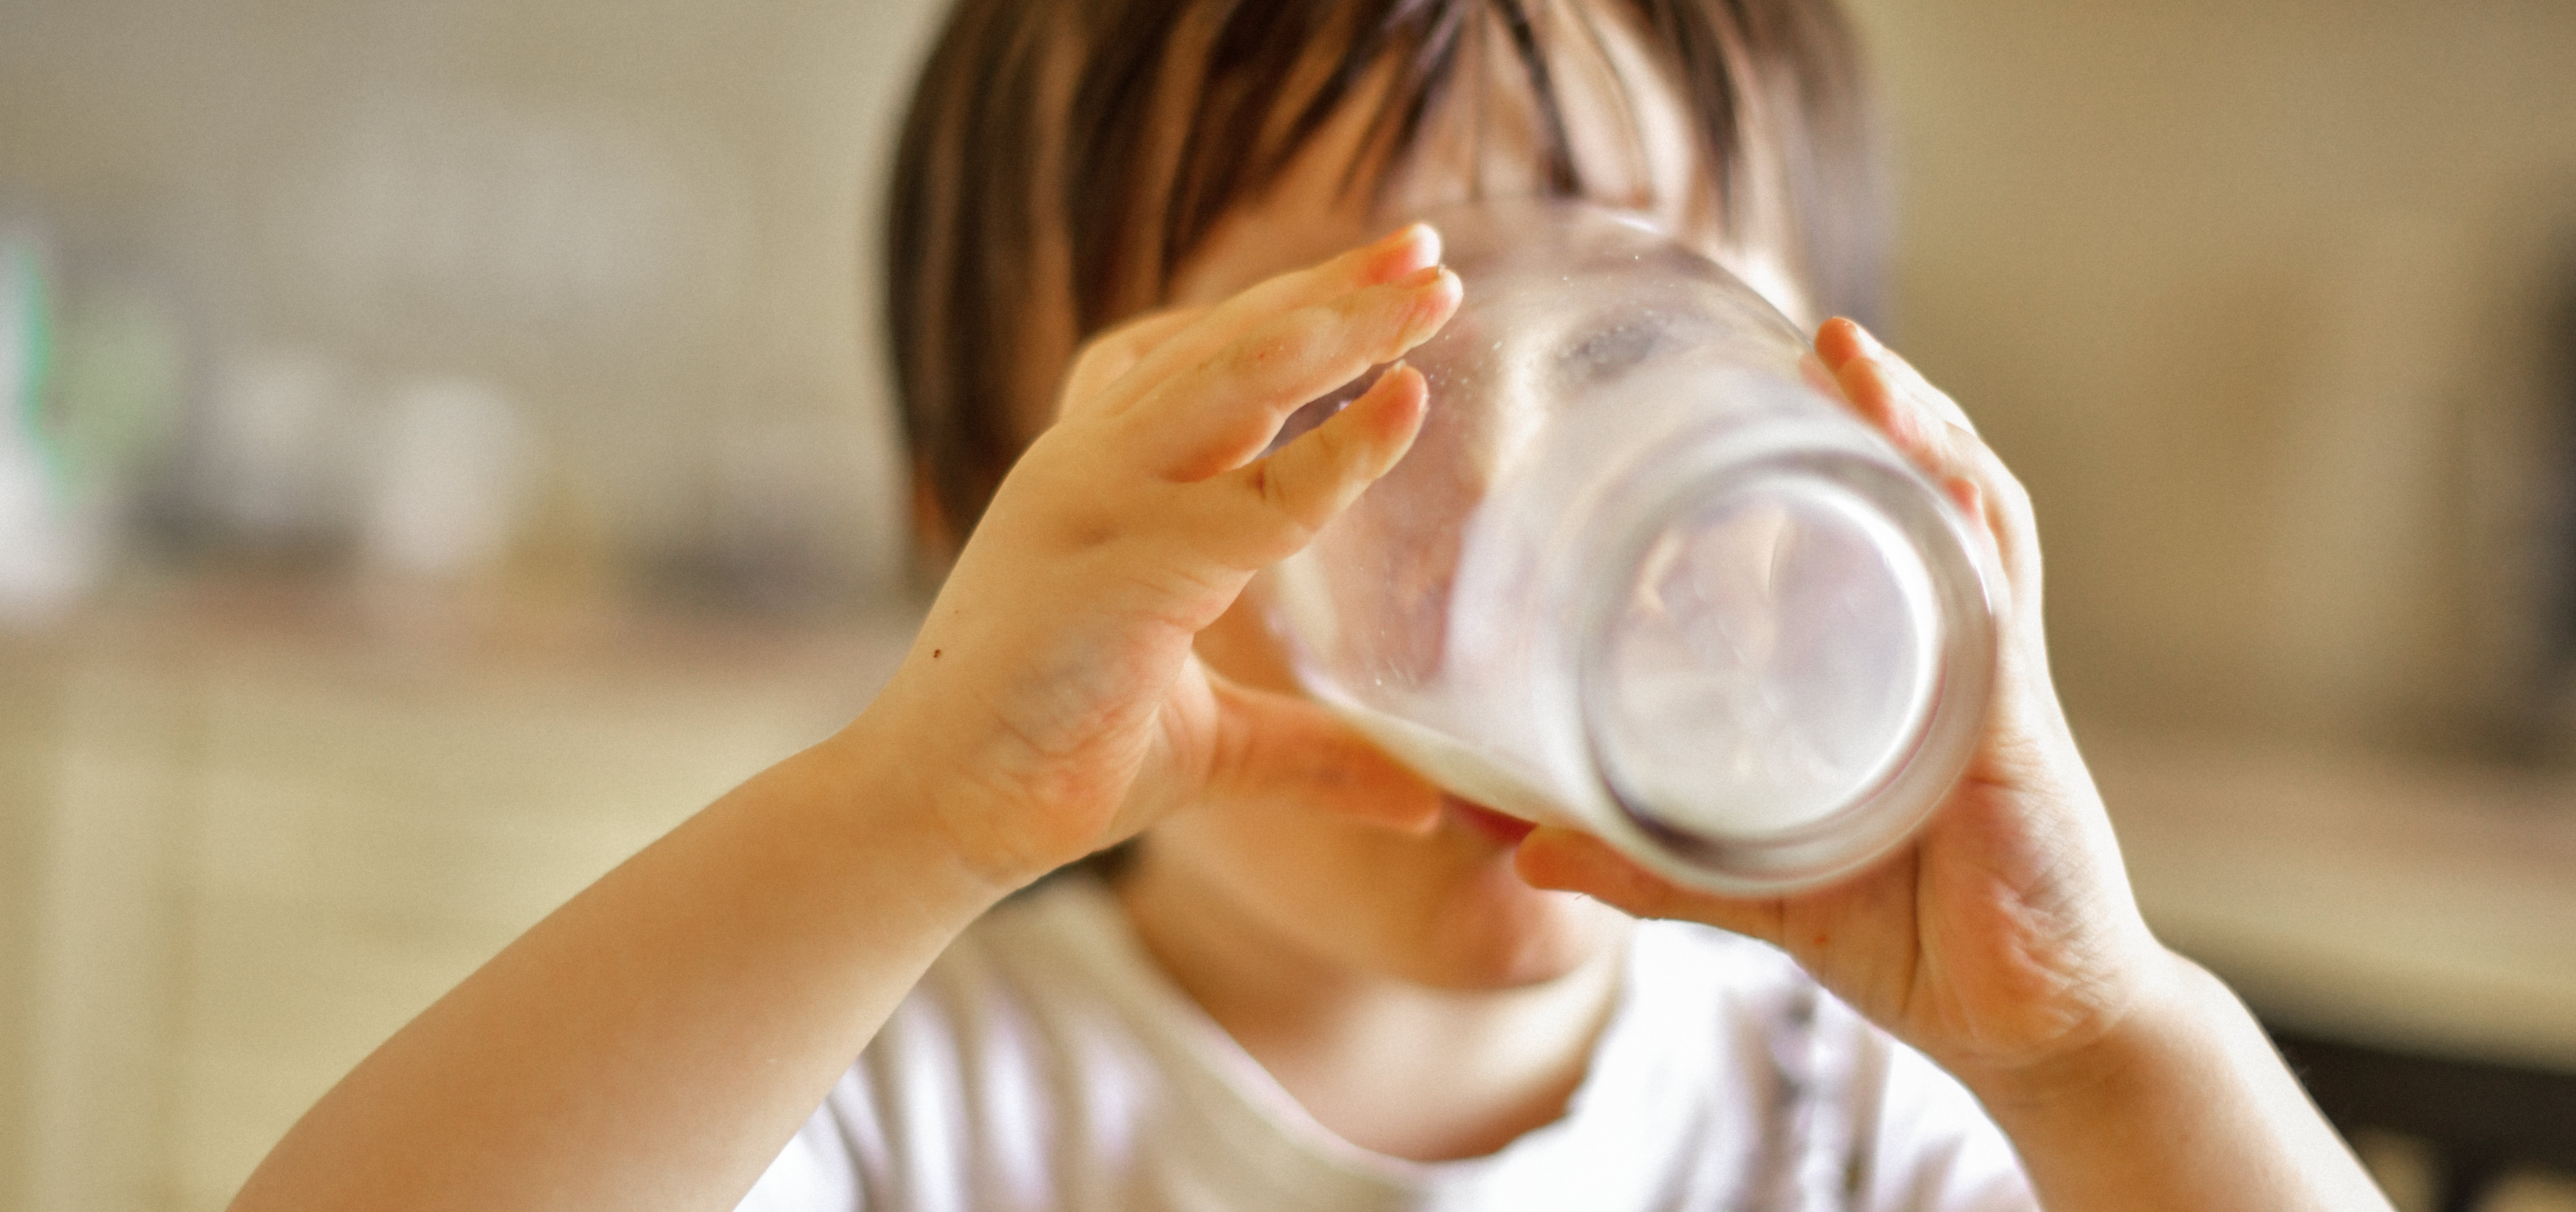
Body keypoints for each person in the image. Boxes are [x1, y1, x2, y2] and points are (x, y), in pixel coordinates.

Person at [229, 2, 2398, 1210]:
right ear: (980, 536)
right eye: (1335, 402)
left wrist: (2106, 1053)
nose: (1501, 534)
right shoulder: (904, 1120)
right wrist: (899, 809)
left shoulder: (1868, 1136)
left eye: (1637, 361)